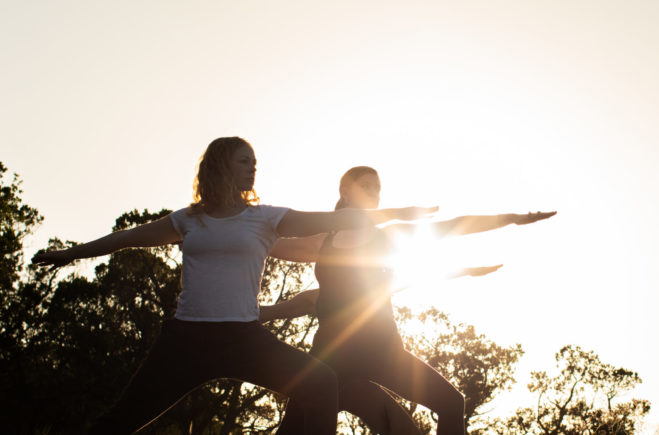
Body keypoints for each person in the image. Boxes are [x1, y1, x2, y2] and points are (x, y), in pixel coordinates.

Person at [32, 139, 438, 435]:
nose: (253, 168)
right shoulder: (188, 219)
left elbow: (342, 220)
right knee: (120, 420)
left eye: (255, 162)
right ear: (221, 166)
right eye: (245, 161)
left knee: (320, 382)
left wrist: (400, 213)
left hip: (243, 338)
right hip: (186, 339)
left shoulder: (266, 218)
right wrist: (70, 254)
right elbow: (127, 238)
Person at [264, 166, 556, 435]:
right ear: (345, 193)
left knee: (452, 403)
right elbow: (263, 243)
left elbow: (456, 225)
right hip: (330, 358)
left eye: (376, 188)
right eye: (364, 186)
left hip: (384, 351)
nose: (372, 193)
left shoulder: (389, 236)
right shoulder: (321, 243)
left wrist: (511, 219)